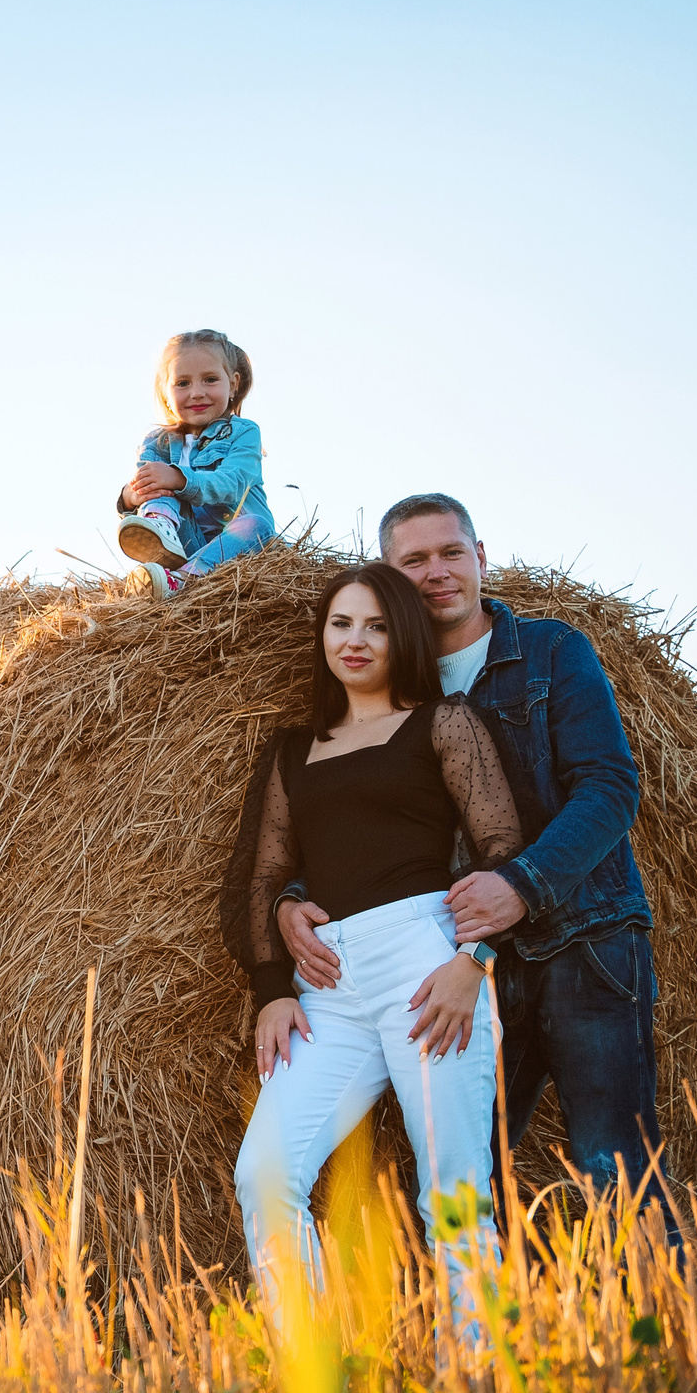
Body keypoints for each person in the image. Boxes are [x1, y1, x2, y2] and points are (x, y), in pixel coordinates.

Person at [277, 493, 668, 1225]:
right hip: (460, 969)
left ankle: (661, 1336)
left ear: (480, 557)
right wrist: (293, 896)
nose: (437, 572)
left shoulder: (552, 651)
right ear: (391, 576)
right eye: (413, 560)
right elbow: (366, 819)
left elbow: (610, 788)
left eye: (451, 552)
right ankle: (498, 1329)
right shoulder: (397, 691)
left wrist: (522, 885)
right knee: (463, 1176)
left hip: (584, 942)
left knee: (614, 1163)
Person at [227, 563, 524, 1335]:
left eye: (377, 625)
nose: (355, 640)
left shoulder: (444, 723)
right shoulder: (296, 750)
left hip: (426, 965)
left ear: (405, 637)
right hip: (327, 984)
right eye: (341, 624)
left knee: (454, 1196)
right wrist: (272, 987)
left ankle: (485, 1388)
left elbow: (501, 850)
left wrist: (474, 964)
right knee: (264, 1173)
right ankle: (317, 1370)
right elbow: (265, 870)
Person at [114, 328, 277, 597]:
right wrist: (130, 497)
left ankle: (180, 580)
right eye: (183, 383)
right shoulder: (157, 441)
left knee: (258, 525)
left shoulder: (244, 432)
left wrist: (180, 479)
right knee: (157, 482)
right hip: (182, 541)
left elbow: (233, 484)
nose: (197, 392)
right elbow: (146, 486)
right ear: (166, 392)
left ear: (233, 383)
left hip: (237, 547)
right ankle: (160, 527)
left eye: (210, 380)